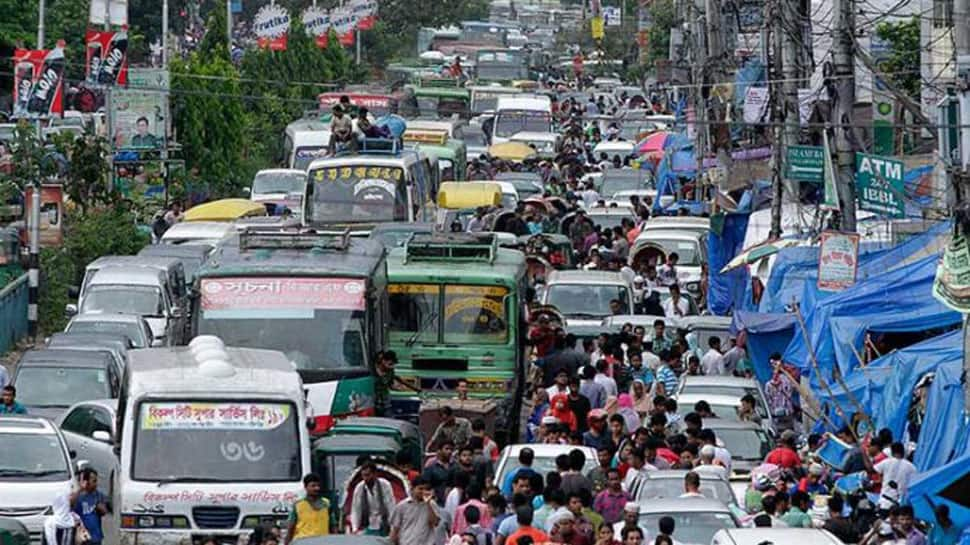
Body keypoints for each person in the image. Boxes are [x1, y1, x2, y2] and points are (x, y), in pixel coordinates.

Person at [390, 477, 441, 545]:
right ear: (413, 489)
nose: (423, 491)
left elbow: (435, 523)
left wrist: (428, 504)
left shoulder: (432, 504)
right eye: (420, 489)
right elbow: (395, 529)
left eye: (426, 489)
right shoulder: (402, 506)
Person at [350, 462, 395, 535]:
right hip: (367, 526)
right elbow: (355, 510)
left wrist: (393, 528)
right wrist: (355, 529)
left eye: (367, 475)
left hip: (384, 525)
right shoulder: (359, 488)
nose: (365, 478)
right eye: (363, 476)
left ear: (375, 474)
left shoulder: (385, 485)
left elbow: (391, 507)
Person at [284, 474, 331, 543]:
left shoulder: (327, 504)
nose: (316, 488)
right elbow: (291, 528)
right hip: (303, 542)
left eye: (318, 486)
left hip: (322, 542)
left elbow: (333, 526)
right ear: (306, 487)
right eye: (313, 486)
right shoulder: (298, 505)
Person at [73, 468, 108, 545]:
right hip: (82, 537)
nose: (96, 484)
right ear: (86, 482)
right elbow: (71, 509)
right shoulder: (79, 497)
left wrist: (100, 507)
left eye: (96, 481)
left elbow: (105, 512)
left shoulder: (98, 495)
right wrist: (80, 489)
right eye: (94, 481)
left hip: (96, 537)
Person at [422, 440, 455, 505]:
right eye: (447, 449)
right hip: (438, 503)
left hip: (453, 502)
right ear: (439, 450)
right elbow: (425, 485)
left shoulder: (456, 466)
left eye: (451, 449)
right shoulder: (431, 468)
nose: (449, 451)